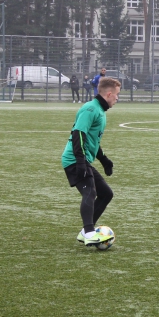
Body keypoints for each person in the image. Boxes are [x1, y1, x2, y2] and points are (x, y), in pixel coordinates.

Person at [61, 76, 121, 248]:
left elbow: (92, 140)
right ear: (109, 94)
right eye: (116, 94)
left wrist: (104, 159)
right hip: (74, 159)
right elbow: (78, 134)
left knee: (106, 194)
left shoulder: (100, 111)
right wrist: (80, 163)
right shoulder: (90, 109)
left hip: (84, 158)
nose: (117, 98)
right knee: (90, 192)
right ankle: (89, 232)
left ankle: (85, 231)